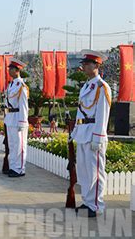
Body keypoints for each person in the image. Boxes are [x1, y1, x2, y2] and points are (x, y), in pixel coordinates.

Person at [70, 50, 112, 218]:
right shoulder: (87, 86)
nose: (84, 66)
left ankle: (96, 205)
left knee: (95, 172)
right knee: (84, 171)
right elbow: (81, 112)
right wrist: (74, 131)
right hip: (83, 133)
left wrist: (99, 138)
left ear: (96, 65)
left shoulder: (102, 87)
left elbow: (103, 115)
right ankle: (87, 201)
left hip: (94, 134)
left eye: (87, 64)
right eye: (84, 64)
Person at [3, 58, 29, 177]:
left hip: (18, 116)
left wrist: (22, 122)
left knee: (20, 145)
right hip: (10, 116)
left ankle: (19, 168)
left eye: (11, 69)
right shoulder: (12, 84)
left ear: (17, 70)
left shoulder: (21, 86)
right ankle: (13, 166)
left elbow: (24, 105)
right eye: (9, 68)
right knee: (12, 144)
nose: (9, 71)